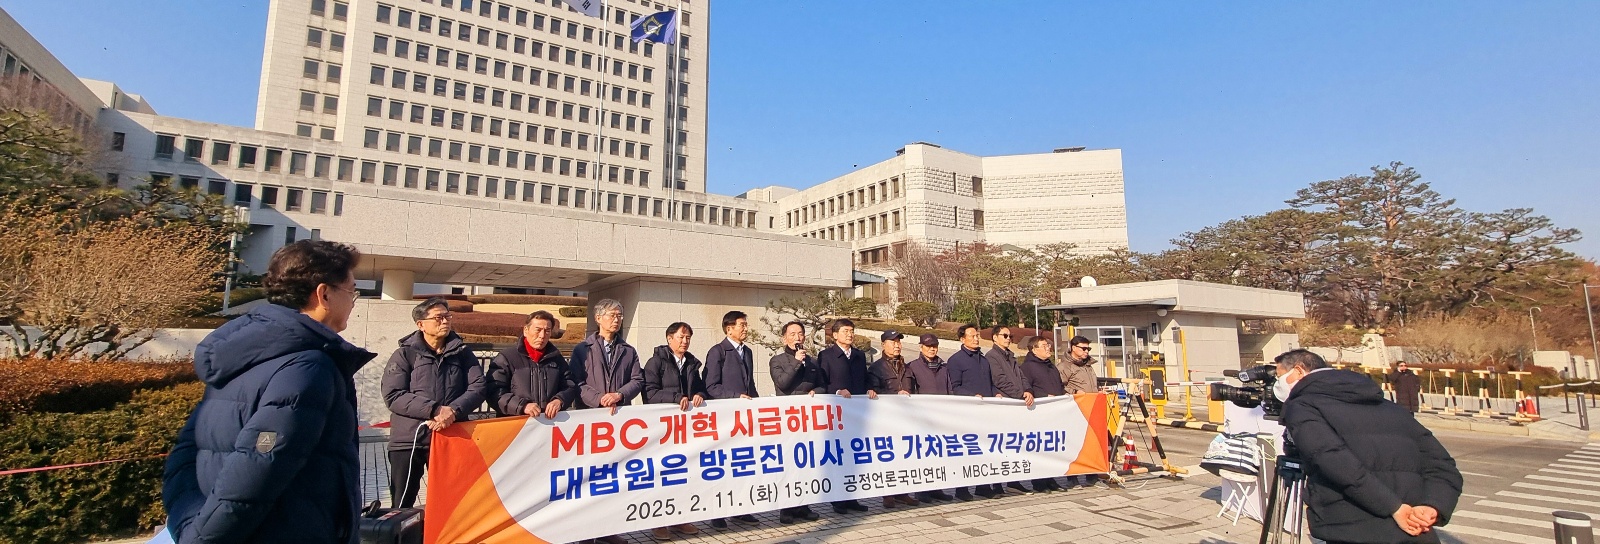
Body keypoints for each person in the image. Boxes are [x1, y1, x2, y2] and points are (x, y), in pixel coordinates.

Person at [163, 240, 375, 543]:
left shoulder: (245, 351)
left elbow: (185, 454)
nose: (353, 302)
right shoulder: (308, 366)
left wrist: (186, 519)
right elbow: (257, 470)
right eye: (351, 292)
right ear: (324, 294)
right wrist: (199, 537)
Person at [1276, 349, 1463, 543]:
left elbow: (1336, 463)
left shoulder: (1302, 406)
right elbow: (1443, 466)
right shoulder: (1389, 406)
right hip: (1416, 531)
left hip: (1353, 529)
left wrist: (1394, 508)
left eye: (1279, 377)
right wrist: (1432, 507)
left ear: (1299, 371)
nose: (1277, 384)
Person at [381, 297, 488, 508]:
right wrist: (434, 410)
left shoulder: (463, 353)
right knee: (402, 505)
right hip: (409, 440)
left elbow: (478, 387)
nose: (445, 321)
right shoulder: (404, 354)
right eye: (438, 317)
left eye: (448, 316)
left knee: (452, 504)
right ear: (421, 324)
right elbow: (393, 395)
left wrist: (453, 412)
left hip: (451, 436)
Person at [570, 299, 645, 544]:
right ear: (598, 318)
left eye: (619, 315)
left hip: (618, 423)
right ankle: (584, 532)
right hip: (590, 421)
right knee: (588, 477)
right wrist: (599, 399)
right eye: (612, 315)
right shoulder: (583, 349)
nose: (617, 319)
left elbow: (637, 380)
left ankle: (608, 529)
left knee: (613, 477)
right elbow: (576, 382)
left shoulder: (628, 350)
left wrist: (619, 395)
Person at [640, 322, 705, 540]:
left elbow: (700, 388)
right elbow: (649, 393)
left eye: (688, 338)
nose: (685, 341)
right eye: (681, 337)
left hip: (686, 430)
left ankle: (680, 518)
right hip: (662, 430)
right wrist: (676, 398)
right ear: (669, 339)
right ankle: (658, 522)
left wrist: (700, 395)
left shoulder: (692, 363)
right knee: (662, 475)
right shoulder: (655, 362)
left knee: (683, 474)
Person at [701, 311, 763, 528]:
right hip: (724, 418)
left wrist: (758, 404)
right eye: (741, 325)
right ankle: (718, 513)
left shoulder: (747, 352)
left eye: (746, 325)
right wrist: (736, 397)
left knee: (742, 465)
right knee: (723, 466)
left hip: (744, 420)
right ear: (729, 329)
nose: (745, 329)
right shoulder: (717, 352)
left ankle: (741, 509)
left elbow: (750, 384)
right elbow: (710, 386)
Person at [768, 320, 826, 523]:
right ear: (784, 338)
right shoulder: (777, 360)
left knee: (806, 463)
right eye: (792, 334)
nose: (797, 337)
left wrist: (816, 391)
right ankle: (786, 508)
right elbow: (783, 384)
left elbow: (823, 386)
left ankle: (803, 505)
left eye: (800, 333)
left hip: (808, 420)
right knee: (787, 463)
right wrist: (796, 362)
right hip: (787, 419)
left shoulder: (813, 362)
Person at [816, 318, 876, 514]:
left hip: (857, 413)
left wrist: (870, 389)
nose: (850, 334)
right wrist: (837, 391)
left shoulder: (859, 355)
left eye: (851, 331)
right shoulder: (826, 355)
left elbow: (865, 378)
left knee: (853, 457)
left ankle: (852, 497)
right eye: (845, 331)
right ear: (835, 335)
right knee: (839, 456)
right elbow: (822, 383)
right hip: (837, 414)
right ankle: (838, 499)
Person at [486, 310, 579, 420]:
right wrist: (522, 406)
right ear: (526, 330)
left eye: (547, 331)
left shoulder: (557, 359)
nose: (542, 336)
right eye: (538, 330)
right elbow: (494, 392)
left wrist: (560, 400)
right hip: (516, 424)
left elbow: (570, 386)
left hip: (550, 423)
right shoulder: (507, 357)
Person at [866, 330, 921, 509]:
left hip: (906, 418)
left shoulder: (907, 366)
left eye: (899, 342)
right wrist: (895, 394)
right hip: (886, 418)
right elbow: (873, 392)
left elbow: (915, 389)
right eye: (893, 342)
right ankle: (888, 494)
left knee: (905, 455)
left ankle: (903, 493)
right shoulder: (876, 368)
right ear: (883, 345)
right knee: (888, 457)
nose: (897, 345)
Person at [946, 323, 998, 499]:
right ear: (962, 339)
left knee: (985, 450)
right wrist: (972, 396)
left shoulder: (983, 359)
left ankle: (983, 486)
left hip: (985, 413)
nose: (976, 338)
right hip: (966, 413)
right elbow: (955, 387)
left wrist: (996, 393)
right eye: (972, 336)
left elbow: (990, 383)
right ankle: (962, 490)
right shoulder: (956, 360)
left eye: (977, 335)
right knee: (966, 451)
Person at [904, 332, 957, 503]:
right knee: (924, 455)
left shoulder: (944, 367)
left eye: (934, 346)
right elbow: (910, 391)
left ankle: (937, 488)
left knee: (939, 454)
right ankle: (922, 491)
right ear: (921, 347)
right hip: (922, 418)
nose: (932, 349)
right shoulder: (912, 366)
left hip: (942, 417)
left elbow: (950, 389)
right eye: (928, 346)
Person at [985, 325, 1034, 495]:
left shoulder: (1011, 356)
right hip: (1004, 406)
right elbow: (999, 380)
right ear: (995, 337)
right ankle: (998, 483)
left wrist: (1028, 390)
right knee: (1001, 446)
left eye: (1010, 336)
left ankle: (1014, 481)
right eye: (1004, 335)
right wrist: (1019, 394)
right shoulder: (992, 356)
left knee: (1015, 446)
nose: (1008, 338)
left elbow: (1022, 377)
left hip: (1016, 407)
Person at [1019, 336, 1067, 493]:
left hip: (1054, 414)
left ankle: (1051, 479)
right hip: (1037, 414)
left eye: (1048, 345)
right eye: (1044, 346)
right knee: (1039, 449)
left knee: (1051, 449)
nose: (1048, 348)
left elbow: (1059, 386)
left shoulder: (1051, 366)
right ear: (1034, 349)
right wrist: (1044, 396)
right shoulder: (1027, 367)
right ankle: (1038, 482)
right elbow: (1027, 388)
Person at [1058, 335, 1099, 488]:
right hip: (1075, 411)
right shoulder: (1064, 367)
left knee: (1092, 444)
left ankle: (1092, 474)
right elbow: (1059, 387)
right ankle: (1072, 477)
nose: (1086, 351)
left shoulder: (1088, 366)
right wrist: (1075, 392)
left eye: (1088, 348)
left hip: (1092, 409)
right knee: (1075, 444)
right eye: (1083, 348)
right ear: (1073, 348)